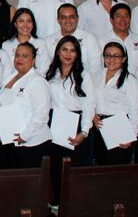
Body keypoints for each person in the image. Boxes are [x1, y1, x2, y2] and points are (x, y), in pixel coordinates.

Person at [45, 36, 95, 204]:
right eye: (64, 49)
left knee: (73, 169)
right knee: (56, 168)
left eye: (72, 50)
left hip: (76, 122)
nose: (68, 54)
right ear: (58, 52)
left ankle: (74, 205)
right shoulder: (49, 73)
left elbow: (89, 104)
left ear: (77, 54)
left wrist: (84, 131)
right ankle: (58, 205)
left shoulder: (84, 75)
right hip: (55, 123)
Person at [0, 42, 52, 168]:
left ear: (33, 60)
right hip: (12, 141)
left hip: (32, 143)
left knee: (31, 185)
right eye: (17, 55)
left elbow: (41, 114)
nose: (19, 59)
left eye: (24, 56)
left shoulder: (37, 81)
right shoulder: (9, 77)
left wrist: (25, 135)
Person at [92, 42, 138, 165]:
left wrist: (130, 135)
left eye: (116, 56)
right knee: (100, 166)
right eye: (108, 55)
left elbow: (134, 109)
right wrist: (93, 116)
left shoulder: (130, 80)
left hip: (120, 126)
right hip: (99, 127)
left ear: (123, 59)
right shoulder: (95, 77)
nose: (111, 59)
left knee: (117, 169)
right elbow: (90, 101)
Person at [43, 4, 101, 76]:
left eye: (71, 17)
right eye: (63, 17)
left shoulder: (89, 39)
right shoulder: (48, 41)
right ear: (58, 20)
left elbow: (96, 68)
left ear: (77, 18)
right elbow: (45, 68)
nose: (68, 21)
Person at [98, 3, 138, 76]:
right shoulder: (102, 41)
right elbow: (99, 67)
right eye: (118, 16)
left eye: (126, 16)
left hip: (135, 84)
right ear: (111, 20)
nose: (123, 19)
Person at [2, 8, 50, 75]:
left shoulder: (41, 43)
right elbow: (6, 71)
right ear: (15, 24)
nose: (25, 25)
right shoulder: (6, 45)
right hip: (14, 83)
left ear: (33, 24)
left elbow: (45, 68)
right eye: (21, 21)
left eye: (29, 21)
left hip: (36, 82)